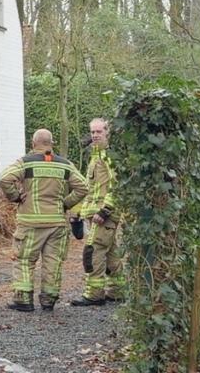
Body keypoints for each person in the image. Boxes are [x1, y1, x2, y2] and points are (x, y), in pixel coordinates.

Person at [0, 129, 89, 311]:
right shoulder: (65, 165)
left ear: (33, 144)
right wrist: (65, 203)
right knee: (53, 262)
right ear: (52, 143)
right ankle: (49, 300)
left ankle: (23, 300)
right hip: (56, 223)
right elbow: (83, 186)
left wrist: (16, 197)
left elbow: (4, 179)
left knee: (24, 260)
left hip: (30, 222)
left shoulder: (25, 163)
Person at [70, 118, 123, 306]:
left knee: (93, 251)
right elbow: (91, 189)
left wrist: (106, 210)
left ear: (107, 133)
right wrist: (80, 211)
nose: (94, 135)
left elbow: (117, 185)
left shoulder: (108, 156)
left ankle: (94, 294)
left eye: (99, 132)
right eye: (92, 132)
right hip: (95, 213)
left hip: (104, 214)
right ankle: (117, 291)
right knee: (110, 252)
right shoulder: (96, 156)